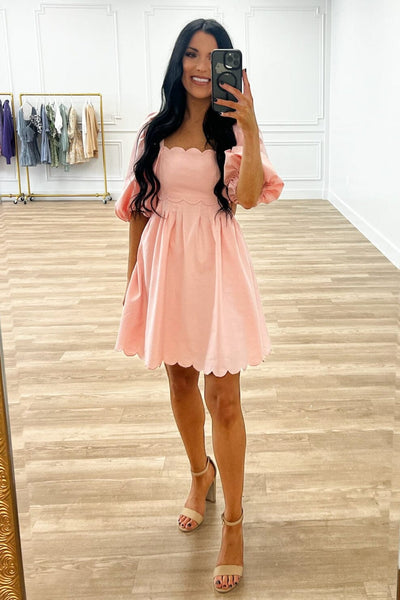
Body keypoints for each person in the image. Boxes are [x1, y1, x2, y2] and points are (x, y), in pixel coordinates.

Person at [114, 18, 284, 594]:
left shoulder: (231, 132)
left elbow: (248, 199)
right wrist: (133, 282)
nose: (201, 68)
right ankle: (198, 473)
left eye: (214, 58)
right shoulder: (153, 131)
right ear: (178, 61)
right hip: (166, 270)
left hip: (218, 272)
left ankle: (233, 524)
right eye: (192, 54)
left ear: (227, 68)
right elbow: (139, 209)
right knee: (181, 383)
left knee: (225, 399)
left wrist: (250, 128)